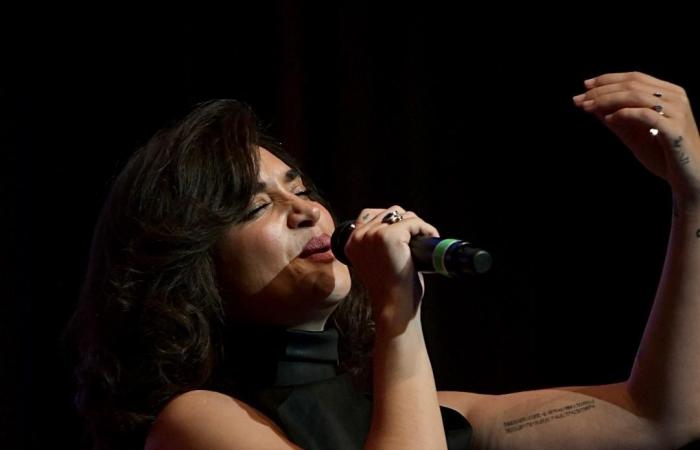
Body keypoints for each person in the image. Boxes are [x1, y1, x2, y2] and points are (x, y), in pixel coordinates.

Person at [67, 71, 700, 450]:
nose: (307, 211)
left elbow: (659, 418)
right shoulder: (195, 422)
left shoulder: (400, 407)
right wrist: (399, 314)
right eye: (253, 206)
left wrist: (692, 200)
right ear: (192, 266)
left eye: (303, 189)